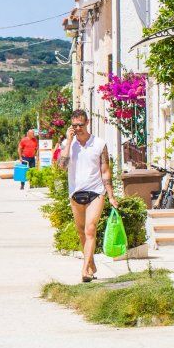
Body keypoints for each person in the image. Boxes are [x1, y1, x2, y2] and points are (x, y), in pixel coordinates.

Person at [56, 110, 118, 282]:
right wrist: (68, 142)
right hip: (75, 192)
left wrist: (111, 196)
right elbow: (61, 166)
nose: (78, 129)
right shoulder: (68, 144)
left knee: (90, 229)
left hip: (96, 192)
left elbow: (105, 171)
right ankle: (91, 263)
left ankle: (85, 270)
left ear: (87, 123)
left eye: (81, 125)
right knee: (81, 232)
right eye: (74, 126)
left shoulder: (99, 143)